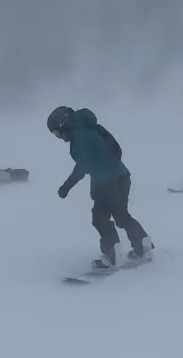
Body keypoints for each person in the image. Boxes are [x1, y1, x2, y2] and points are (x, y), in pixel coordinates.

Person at [47, 106, 154, 271]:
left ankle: (112, 256)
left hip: (107, 183)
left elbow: (84, 164)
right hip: (121, 177)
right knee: (121, 216)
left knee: (100, 219)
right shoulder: (87, 130)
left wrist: (66, 186)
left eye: (56, 132)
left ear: (63, 124)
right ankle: (143, 246)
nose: (58, 137)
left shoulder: (80, 136)